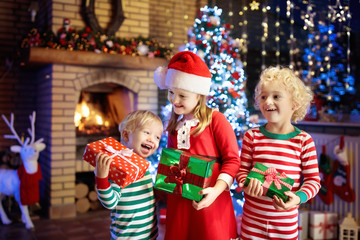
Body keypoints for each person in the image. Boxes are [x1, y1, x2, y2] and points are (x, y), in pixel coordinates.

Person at [153, 51, 240, 240]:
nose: (174, 100)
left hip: (210, 199)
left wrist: (216, 190)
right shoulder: (174, 124)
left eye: (182, 95)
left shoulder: (216, 120)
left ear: (199, 95)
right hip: (180, 203)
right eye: (171, 92)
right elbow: (171, 161)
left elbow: (232, 160)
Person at [236, 66, 321, 240]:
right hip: (252, 223)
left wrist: (297, 198)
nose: (268, 102)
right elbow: (242, 172)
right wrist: (246, 185)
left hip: (285, 225)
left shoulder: (303, 141)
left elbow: (313, 181)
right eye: (263, 97)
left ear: (294, 104)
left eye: (276, 96)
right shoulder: (252, 137)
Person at [94, 110, 163, 240]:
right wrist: (101, 177)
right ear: (126, 135)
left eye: (157, 137)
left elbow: (147, 197)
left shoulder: (145, 166)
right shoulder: (118, 168)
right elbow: (110, 202)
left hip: (150, 235)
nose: (151, 139)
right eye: (147, 132)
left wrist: (158, 193)